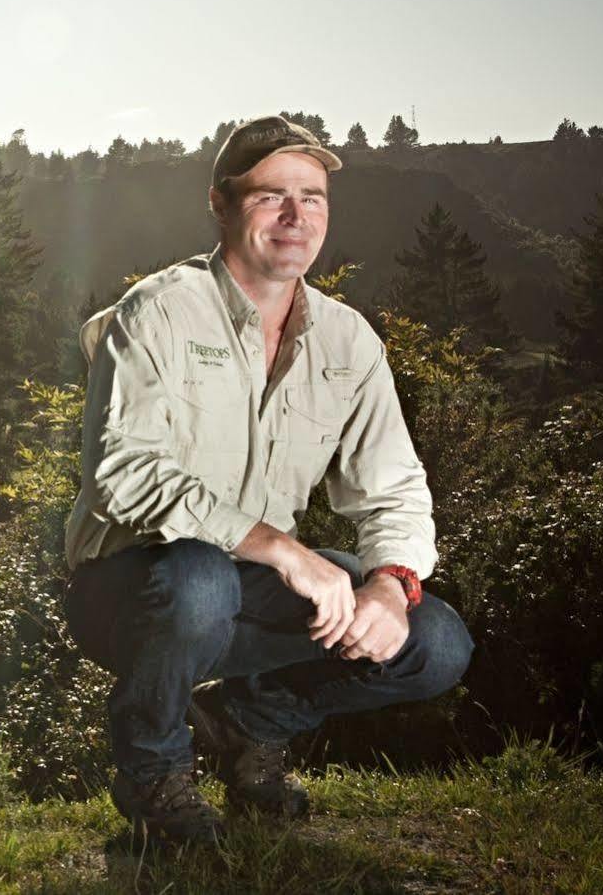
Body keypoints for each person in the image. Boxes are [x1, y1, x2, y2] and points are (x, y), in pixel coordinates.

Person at [61, 115, 474, 846]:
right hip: (129, 589)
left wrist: (388, 582)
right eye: (269, 196)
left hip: (244, 598)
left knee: (433, 641)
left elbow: (392, 487)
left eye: (311, 198)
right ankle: (153, 774)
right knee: (198, 575)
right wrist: (284, 550)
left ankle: (246, 726)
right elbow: (120, 477)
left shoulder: (348, 341)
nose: (295, 217)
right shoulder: (155, 312)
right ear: (220, 204)